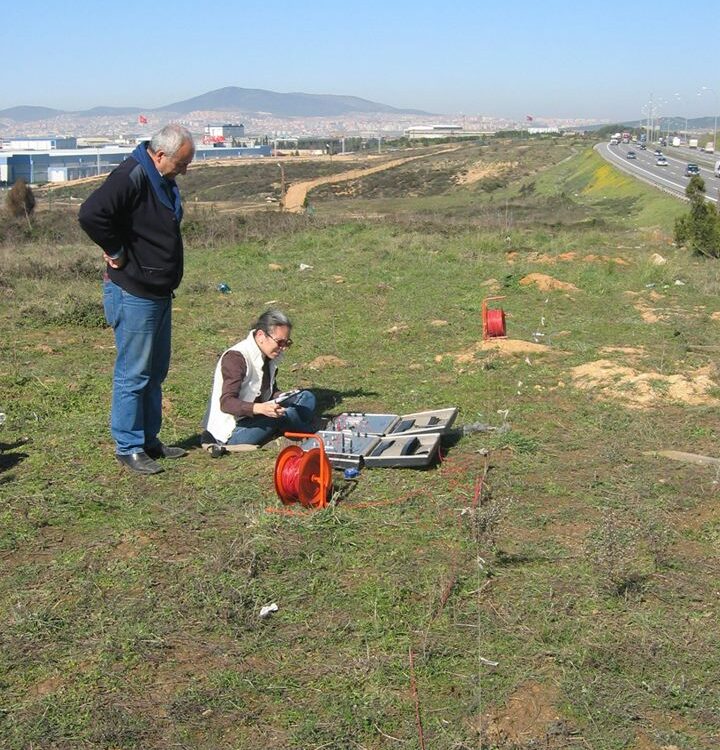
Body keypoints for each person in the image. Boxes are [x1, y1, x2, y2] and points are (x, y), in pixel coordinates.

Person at [78, 124, 195, 475]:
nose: (185, 170)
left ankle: (148, 440)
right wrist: (115, 250)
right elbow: (90, 214)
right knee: (134, 373)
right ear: (160, 155)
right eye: (181, 163)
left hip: (158, 292)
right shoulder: (131, 175)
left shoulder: (161, 178)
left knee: (155, 371)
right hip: (134, 292)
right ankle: (127, 446)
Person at [202, 309, 318, 449]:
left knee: (306, 396)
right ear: (261, 335)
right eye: (280, 342)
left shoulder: (267, 355)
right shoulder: (236, 358)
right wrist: (260, 408)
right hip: (232, 430)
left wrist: (283, 396)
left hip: (257, 414)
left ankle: (292, 424)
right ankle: (308, 431)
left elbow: (267, 392)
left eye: (287, 343)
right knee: (286, 414)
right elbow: (226, 403)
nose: (283, 348)